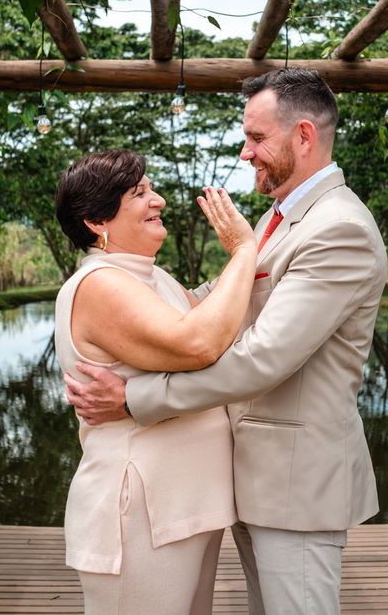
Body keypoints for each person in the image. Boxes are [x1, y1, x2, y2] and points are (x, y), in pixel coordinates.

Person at [66, 69, 388, 615]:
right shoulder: (279, 217)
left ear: (304, 136)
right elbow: (219, 299)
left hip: (296, 485)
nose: (246, 153)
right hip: (253, 477)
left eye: (257, 138)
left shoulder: (339, 229)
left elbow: (263, 359)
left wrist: (134, 398)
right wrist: (131, 305)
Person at [52, 148, 258, 615]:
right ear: (96, 221)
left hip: (186, 504)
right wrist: (245, 249)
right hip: (141, 512)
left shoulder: (149, 276)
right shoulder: (101, 284)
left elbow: (221, 321)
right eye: (140, 193)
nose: (159, 200)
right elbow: (199, 342)